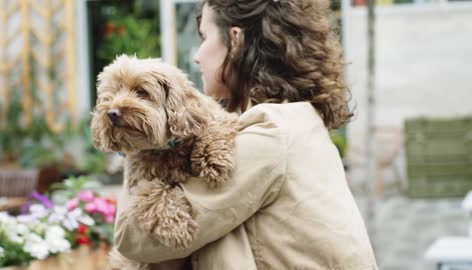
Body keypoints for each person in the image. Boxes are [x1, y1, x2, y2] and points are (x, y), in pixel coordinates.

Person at [113, 0, 378, 269]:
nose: (197, 55)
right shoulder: (295, 121)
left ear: (236, 40)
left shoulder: (270, 134)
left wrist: (136, 146)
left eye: (204, 38)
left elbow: (134, 238)